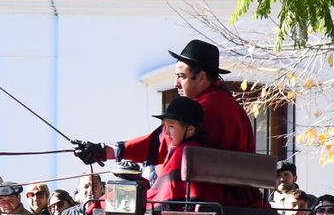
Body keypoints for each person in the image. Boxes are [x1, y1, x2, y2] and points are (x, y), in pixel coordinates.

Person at [73, 39, 258, 205]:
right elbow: (161, 139)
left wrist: (108, 152)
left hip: (206, 198)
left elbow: (161, 141)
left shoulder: (203, 108)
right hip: (240, 200)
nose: (176, 83)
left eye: (181, 76)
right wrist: (108, 151)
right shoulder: (230, 105)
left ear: (201, 77)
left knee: (105, 205)